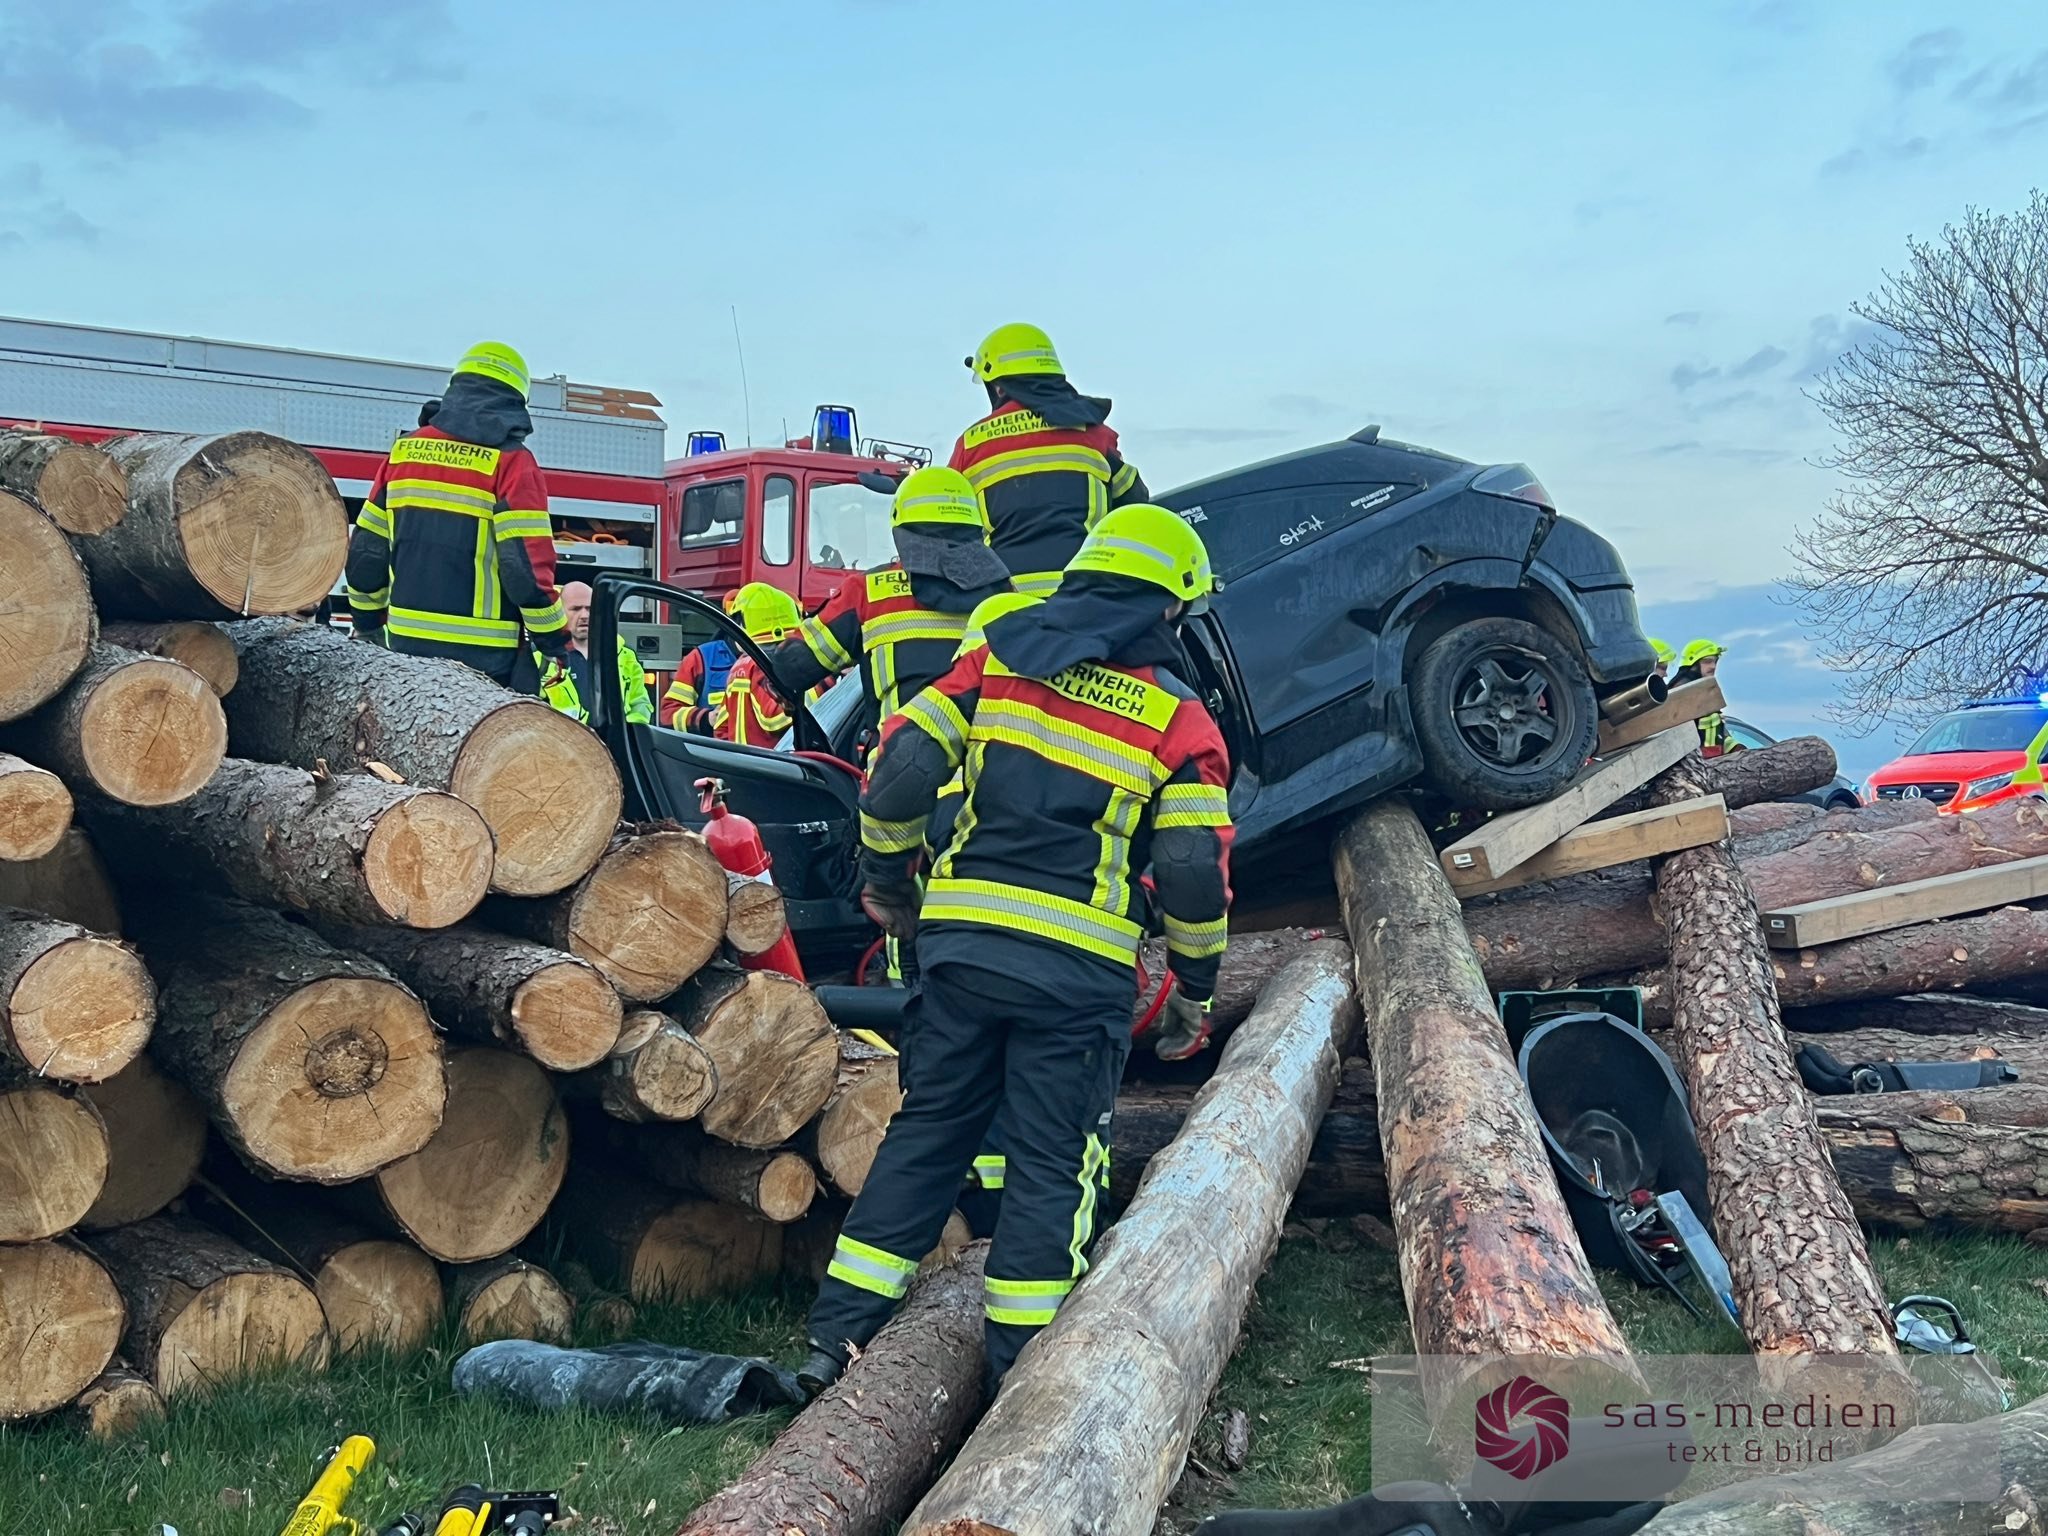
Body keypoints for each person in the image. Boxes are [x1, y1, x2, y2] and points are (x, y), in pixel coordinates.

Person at [800, 503, 1232, 1400]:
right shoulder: (1180, 719)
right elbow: (1193, 871)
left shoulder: (997, 657)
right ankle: (1023, 1386)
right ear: (1170, 608)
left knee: (928, 1135)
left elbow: (901, 771)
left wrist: (889, 882)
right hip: (1076, 976)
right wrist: (1194, 987)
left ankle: (832, 1344)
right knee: (1052, 1161)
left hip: (960, 953)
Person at [345, 342, 569, 689]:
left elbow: (366, 552)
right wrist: (553, 641)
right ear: (515, 399)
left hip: (406, 645)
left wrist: (367, 623)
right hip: (486, 656)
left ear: (456, 387)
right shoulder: (513, 463)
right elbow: (525, 568)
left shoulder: (404, 454)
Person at [763, 465, 1012, 758]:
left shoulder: (868, 592)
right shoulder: (1006, 595)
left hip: (897, 771)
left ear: (899, 530)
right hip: (984, 775)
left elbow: (792, 666)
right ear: (976, 527)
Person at [949, 323, 1148, 596]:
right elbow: (1135, 500)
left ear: (998, 388)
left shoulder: (971, 444)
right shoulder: (1093, 432)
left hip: (1007, 601)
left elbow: (951, 531)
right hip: (1086, 595)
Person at [537, 580, 653, 726]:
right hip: (563, 738)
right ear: (560, 613)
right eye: (576, 609)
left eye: (589, 609)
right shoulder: (543, 660)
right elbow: (532, 711)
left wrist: (626, 733)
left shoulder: (624, 656)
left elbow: (640, 703)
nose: (584, 615)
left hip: (614, 739)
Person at [711, 583, 804, 746]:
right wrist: (821, 686)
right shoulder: (761, 665)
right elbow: (774, 720)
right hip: (770, 760)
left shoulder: (739, 666)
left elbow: (721, 727)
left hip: (740, 759)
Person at [661, 590, 745, 729]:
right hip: (712, 743)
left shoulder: (773, 660)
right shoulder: (701, 658)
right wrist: (706, 719)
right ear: (736, 622)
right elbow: (668, 715)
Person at [1673, 639, 1726, 754]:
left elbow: (1717, 732)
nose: (1713, 666)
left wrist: (1735, 747)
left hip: (1713, 760)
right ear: (1693, 665)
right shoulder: (1681, 692)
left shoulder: (1705, 691)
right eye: (1707, 661)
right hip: (1693, 761)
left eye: (1715, 661)